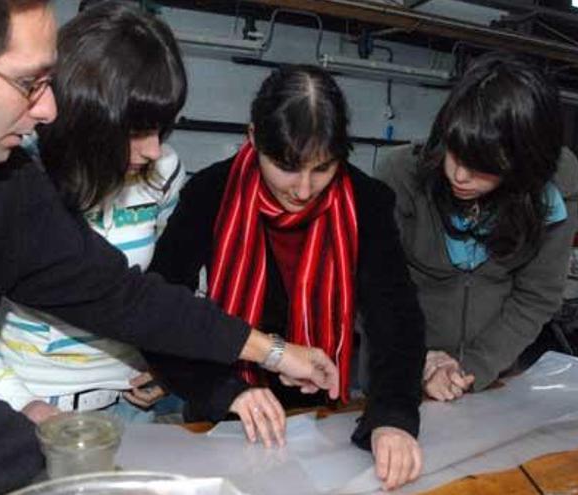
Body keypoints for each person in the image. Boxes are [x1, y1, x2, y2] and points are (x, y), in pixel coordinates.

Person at [0, 1, 339, 494]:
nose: (50, 109)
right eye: (30, 83)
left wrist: (269, 351)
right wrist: (89, 479)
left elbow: (118, 294)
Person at [148, 65, 426, 491]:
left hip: (324, 417)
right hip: (225, 409)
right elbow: (163, 311)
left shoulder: (367, 203)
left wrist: (393, 416)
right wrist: (223, 391)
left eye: (323, 168)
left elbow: (396, 319)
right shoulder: (210, 193)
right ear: (254, 136)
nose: (303, 189)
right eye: (287, 167)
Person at [0, 1, 188, 423]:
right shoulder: (10, 176)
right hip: (23, 408)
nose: (155, 149)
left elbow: (154, 292)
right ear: (87, 121)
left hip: (130, 410)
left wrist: (167, 366)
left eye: (162, 129)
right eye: (137, 132)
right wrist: (23, 404)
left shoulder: (163, 171)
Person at [377, 53, 578, 402]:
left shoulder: (554, 184)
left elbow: (536, 296)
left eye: (483, 166)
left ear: (525, 164)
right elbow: (373, 291)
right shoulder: (401, 177)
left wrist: (470, 367)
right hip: (397, 370)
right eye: (454, 153)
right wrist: (419, 361)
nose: (459, 176)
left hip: (492, 378)